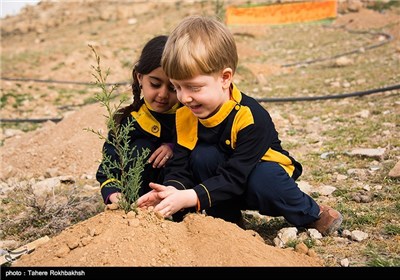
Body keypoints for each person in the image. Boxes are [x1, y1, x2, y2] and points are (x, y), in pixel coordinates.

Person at [137, 16, 343, 236]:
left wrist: (191, 196)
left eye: (193, 87)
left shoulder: (250, 117)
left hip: (257, 175)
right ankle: (228, 222)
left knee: (265, 179)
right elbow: (180, 165)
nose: (184, 97)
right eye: (177, 87)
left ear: (225, 78)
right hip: (223, 183)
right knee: (202, 157)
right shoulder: (185, 115)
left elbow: (236, 175)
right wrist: (173, 190)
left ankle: (311, 213)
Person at [96, 35, 180, 205]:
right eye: (155, 84)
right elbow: (108, 168)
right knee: (141, 147)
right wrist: (115, 195)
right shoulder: (126, 121)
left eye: (172, 87)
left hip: (176, 203)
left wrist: (173, 147)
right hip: (137, 208)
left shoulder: (191, 116)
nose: (163, 94)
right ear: (140, 77)